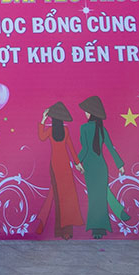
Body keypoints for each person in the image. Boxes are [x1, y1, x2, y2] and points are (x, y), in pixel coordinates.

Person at [77, 95, 130, 239]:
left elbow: (85, 149)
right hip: (101, 167)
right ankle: (118, 213)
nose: (85, 113)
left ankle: (97, 229)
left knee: (95, 198)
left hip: (90, 167)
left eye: (86, 111)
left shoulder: (84, 128)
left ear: (91, 112)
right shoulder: (102, 129)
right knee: (101, 194)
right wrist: (120, 165)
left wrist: (76, 161)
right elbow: (111, 149)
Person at [35, 101, 83, 239]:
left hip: (56, 166)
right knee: (64, 198)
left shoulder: (50, 130)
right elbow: (71, 148)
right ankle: (64, 232)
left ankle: (52, 228)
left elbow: (41, 136)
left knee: (59, 198)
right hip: (63, 166)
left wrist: (43, 120)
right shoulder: (65, 130)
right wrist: (77, 163)